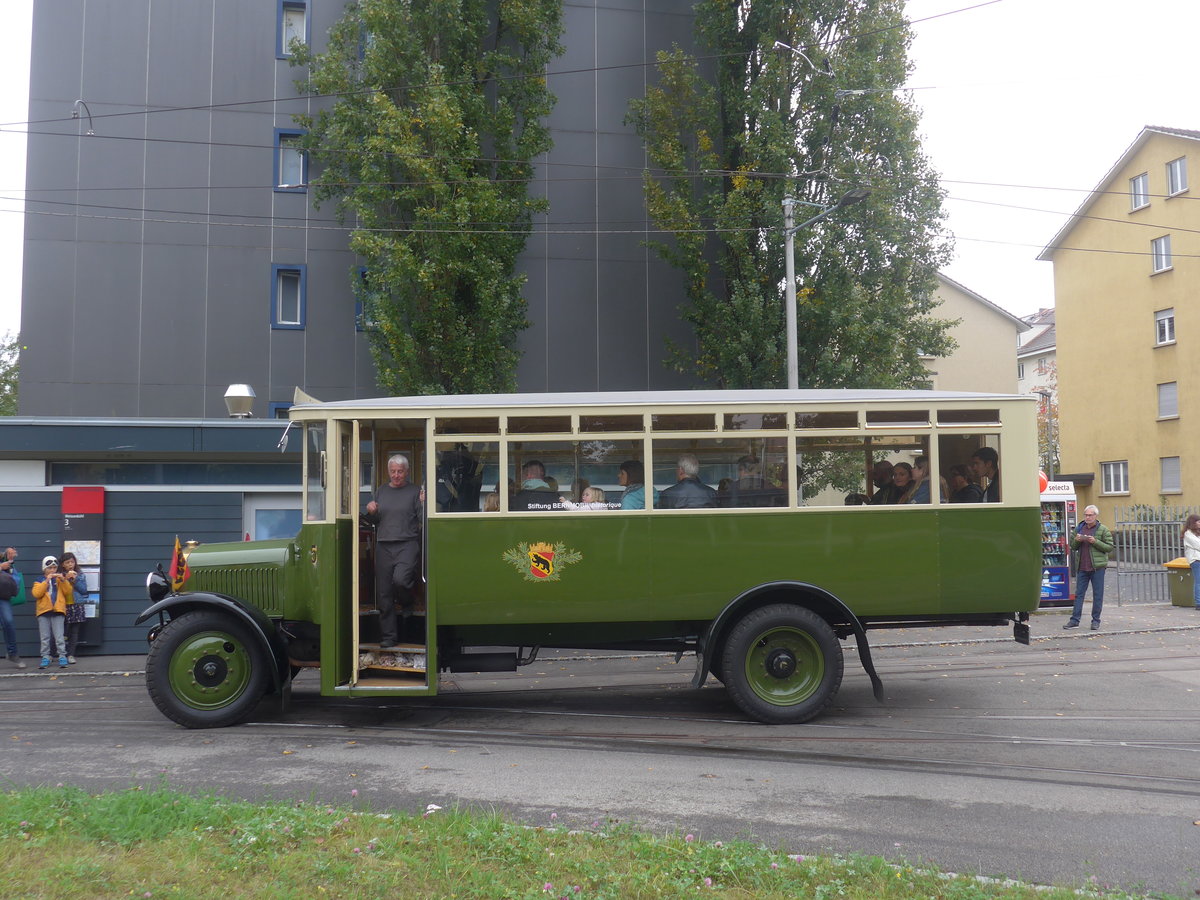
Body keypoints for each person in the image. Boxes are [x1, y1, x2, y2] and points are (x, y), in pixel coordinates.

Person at [364, 454, 425, 649]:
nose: (396, 475)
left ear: (406, 472)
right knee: (384, 593)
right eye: (393, 471)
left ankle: (408, 601)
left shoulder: (415, 491)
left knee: (401, 580)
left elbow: (423, 519)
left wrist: (424, 503)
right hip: (383, 545)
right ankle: (389, 637)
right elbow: (374, 523)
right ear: (388, 472)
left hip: (407, 543)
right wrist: (371, 511)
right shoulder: (381, 491)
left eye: (400, 471)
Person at [1065, 505, 1113, 630]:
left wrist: (1095, 541)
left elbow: (1109, 547)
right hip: (1082, 567)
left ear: (1095, 516)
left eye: (1090, 515)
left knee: (1098, 595)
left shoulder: (1103, 529)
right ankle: (1074, 620)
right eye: (1086, 515)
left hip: (1097, 568)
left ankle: (1095, 621)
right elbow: (1073, 546)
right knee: (1079, 594)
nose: (1087, 517)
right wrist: (1077, 540)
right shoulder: (1079, 528)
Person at [31, 555, 72, 669]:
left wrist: (63, 580)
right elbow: (36, 594)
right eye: (50, 568)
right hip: (43, 612)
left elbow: (68, 591)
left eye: (54, 568)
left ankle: (62, 656)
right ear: (44, 569)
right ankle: (45, 656)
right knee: (45, 637)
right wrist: (47, 580)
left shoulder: (60, 579)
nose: (53, 570)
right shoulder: (39, 580)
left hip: (58, 611)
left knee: (59, 636)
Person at [59, 552, 89, 664]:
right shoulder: (60, 575)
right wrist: (65, 579)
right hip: (64, 605)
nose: (70, 564)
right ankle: (60, 653)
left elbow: (84, 590)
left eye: (72, 562)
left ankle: (71, 654)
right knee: (64, 631)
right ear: (63, 565)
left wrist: (74, 580)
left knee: (75, 631)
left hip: (77, 605)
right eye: (67, 562)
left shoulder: (80, 574)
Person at [0, 547, 24, 668]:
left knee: (8, 622)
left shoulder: (3, 558)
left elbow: (14, 578)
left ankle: (12, 653)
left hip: (2, 596)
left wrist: (9, 561)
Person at [1182, 514, 1200, 610]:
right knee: (1199, 582)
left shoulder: (1197, 533)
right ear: (1193, 523)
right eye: (1198, 521)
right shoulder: (1188, 534)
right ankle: (1198, 602)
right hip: (1196, 560)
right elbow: (1198, 545)